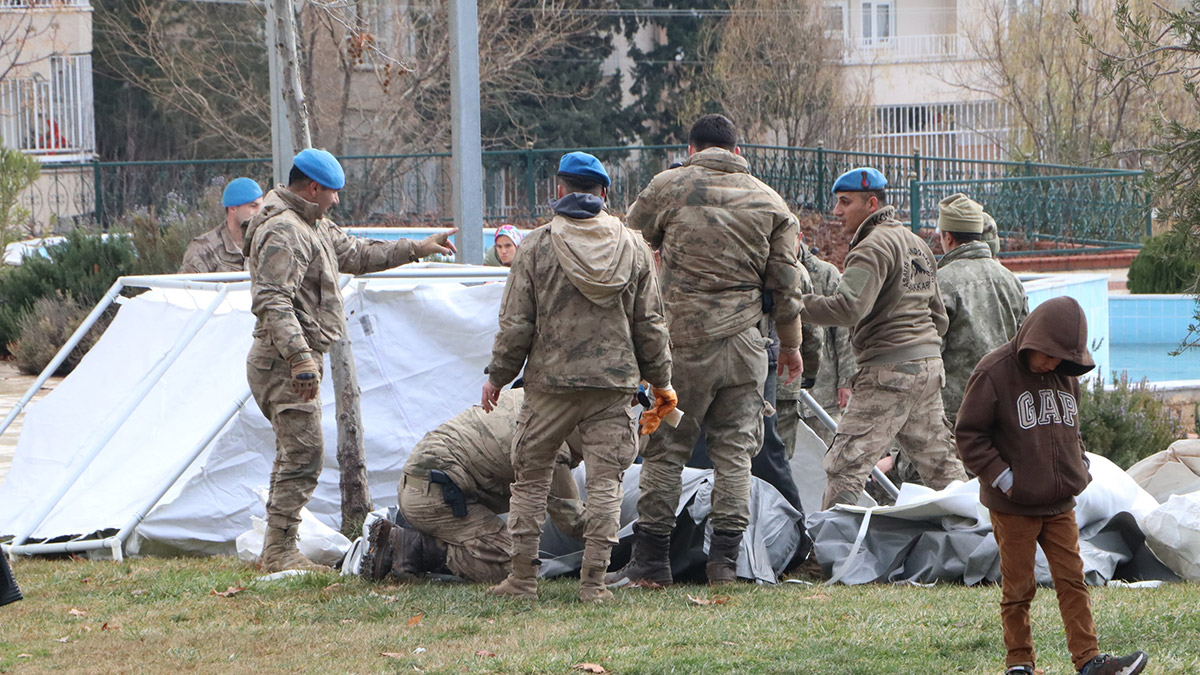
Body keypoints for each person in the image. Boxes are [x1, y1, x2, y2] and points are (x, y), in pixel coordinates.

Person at [612, 114, 809, 587]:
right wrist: (793, 344)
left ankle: (651, 561)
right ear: (737, 152)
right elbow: (786, 283)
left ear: (692, 149)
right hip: (746, 349)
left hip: (680, 349)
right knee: (735, 454)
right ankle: (725, 562)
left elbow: (628, 243)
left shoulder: (669, 186)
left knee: (664, 449)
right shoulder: (771, 201)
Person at [245, 148, 457, 573]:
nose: (337, 202)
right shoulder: (285, 230)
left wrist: (418, 248)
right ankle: (279, 551)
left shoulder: (312, 224)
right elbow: (272, 299)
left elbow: (357, 254)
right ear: (314, 187)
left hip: (294, 359)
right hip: (284, 362)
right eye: (334, 193)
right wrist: (301, 358)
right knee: (304, 455)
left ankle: (277, 545)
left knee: (295, 453)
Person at [481, 151, 673, 602]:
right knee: (607, 482)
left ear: (561, 189)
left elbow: (516, 324)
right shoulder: (634, 246)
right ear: (604, 193)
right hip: (614, 386)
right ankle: (594, 583)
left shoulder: (535, 245)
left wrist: (498, 375)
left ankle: (523, 580)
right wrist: (661, 381)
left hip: (549, 386)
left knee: (530, 478)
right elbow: (651, 325)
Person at [956, 296, 1149, 675]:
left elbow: (1070, 429)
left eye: (1062, 358)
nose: (1053, 364)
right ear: (1033, 337)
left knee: (1073, 580)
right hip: (1013, 506)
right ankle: (1019, 664)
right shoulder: (993, 372)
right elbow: (969, 435)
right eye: (1048, 354)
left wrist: (1080, 466)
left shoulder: (1065, 377)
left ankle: (1090, 661)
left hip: (1060, 503)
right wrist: (1006, 480)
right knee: (1018, 588)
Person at [801, 167, 967, 509]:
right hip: (927, 368)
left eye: (845, 202)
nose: (837, 211)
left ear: (871, 203)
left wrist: (792, 306)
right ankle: (983, 533)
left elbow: (847, 308)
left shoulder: (871, 247)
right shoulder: (916, 245)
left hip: (887, 370)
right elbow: (938, 316)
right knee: (942, 467)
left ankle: (835, 554)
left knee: (845, 465)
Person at [361, 387, 585, 584]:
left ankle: (420, 543)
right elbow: (571, 518)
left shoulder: (541, 399)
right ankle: (413, 547)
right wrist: (615, 542)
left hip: (428, 482)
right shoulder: (550, 447)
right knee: (519, 567)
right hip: (436, 493)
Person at [936, 193, 1028, 425]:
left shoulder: (941, 282)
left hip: (957, 413)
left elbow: (929, 355)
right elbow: (1026, 343)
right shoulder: (1010, 280)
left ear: (948, 238)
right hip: (1005, 407)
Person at [779, 236, 855, 450]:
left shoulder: (824, 273)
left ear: (799, 238)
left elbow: (843, 331)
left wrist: (846, 380)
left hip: (824, 389)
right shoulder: (771, 270)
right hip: (785, 387)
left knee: (834, 450)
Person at [180, 177, 263, 273]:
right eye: (253, 206)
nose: (260, 212)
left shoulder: (266, 243)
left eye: (261, 206)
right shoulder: (204, 249)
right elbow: (187, 286)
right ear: (232, 208)